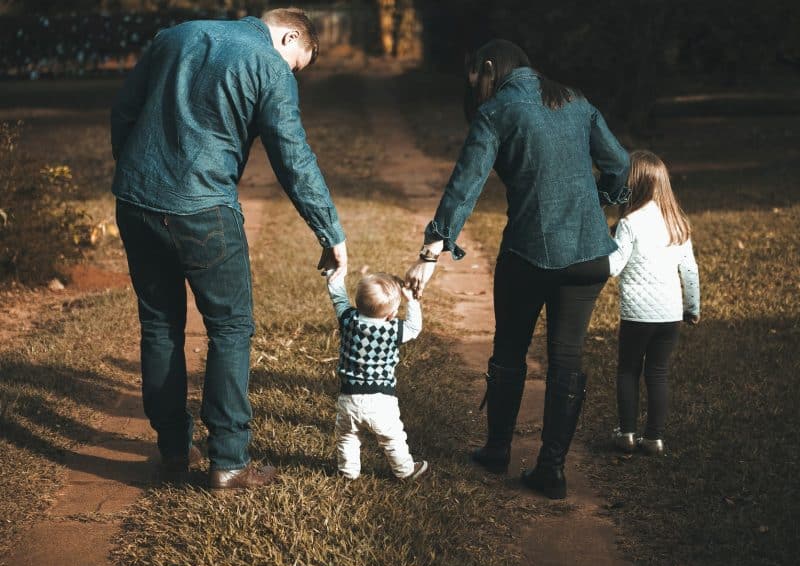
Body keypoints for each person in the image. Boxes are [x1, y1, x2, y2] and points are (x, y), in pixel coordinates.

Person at [111, 8, 348, 490]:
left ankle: (174, 452)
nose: (292, 74)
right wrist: (330, 232)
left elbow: (123, 109)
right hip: (204, 211)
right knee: (231, 328)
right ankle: (230, 460)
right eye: (297, 64)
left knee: (159, 325)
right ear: (289, 35)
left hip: (135, 202)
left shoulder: (174, 35)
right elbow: (293, 158)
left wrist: (135, 174)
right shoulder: (269, 66)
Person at [405, 39, 630, 499]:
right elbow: (621, 166)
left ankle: (497, 450)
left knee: (509, 351)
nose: (476, 89)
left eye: (476, 78)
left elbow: (463, 188)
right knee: (567, 357)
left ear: (490, 68)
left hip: (528, 256)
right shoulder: (576, 100)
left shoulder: (497, 112)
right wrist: (600, 202)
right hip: (589, 257)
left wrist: (430, 256)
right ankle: (552, 469)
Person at [608, 150, 700, 456]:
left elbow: (613, 267)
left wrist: (601, 246)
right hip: (670, 314)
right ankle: (655, 439)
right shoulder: (677, 223)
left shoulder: (630, 223)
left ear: (633, 184)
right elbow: (689, 270)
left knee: (628, 371)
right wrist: (692, 308)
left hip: (637, 315)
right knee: (658, 372)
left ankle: (627, 434)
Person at [326, 271, 428, 480]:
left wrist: (334, 275)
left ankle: (348, 472)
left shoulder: (348, 320)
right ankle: (405, 471)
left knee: (347, 436)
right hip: (381, 401)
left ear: (358, 302)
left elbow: (338, 297)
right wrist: (412, 301)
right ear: (390, 314)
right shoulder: (393, 329)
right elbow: (414, 327)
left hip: (349, 398)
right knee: (392, 438)